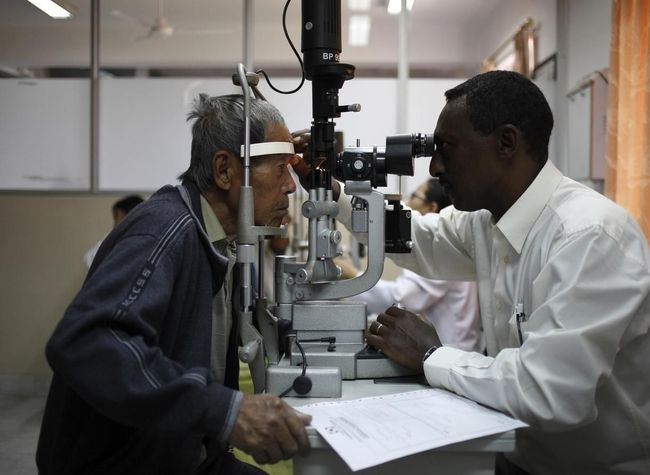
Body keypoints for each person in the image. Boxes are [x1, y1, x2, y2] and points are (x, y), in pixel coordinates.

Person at [326, 71, 650, 473]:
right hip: (522, 454)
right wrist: (329, 192)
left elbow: (550, 393)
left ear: (506, 143)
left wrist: (430, 355)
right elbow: (416, 239)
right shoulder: (488, 221)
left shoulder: (589, 236)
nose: (436, 167)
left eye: (447, 148)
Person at [37, 94, 311, 475]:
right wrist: (224, 411)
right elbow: (85, 340)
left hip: (192, 455)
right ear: (224, 170)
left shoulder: (224, 244)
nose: (291, 187)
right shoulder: (166, 230)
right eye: (280, 168)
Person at [338, 179, 481, 351]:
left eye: (415, 195)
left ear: (431, 207)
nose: (408, 201)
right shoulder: (442, 246)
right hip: (446, 350)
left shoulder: (445, 250)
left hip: (454, 352)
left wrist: (352, 275)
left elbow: (401, 300)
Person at [84, 194, 144, 268]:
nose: (116, 223)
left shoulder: (145, 237)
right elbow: (89, 259)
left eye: (120, 217)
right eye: (115, 218)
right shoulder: (112, 236)